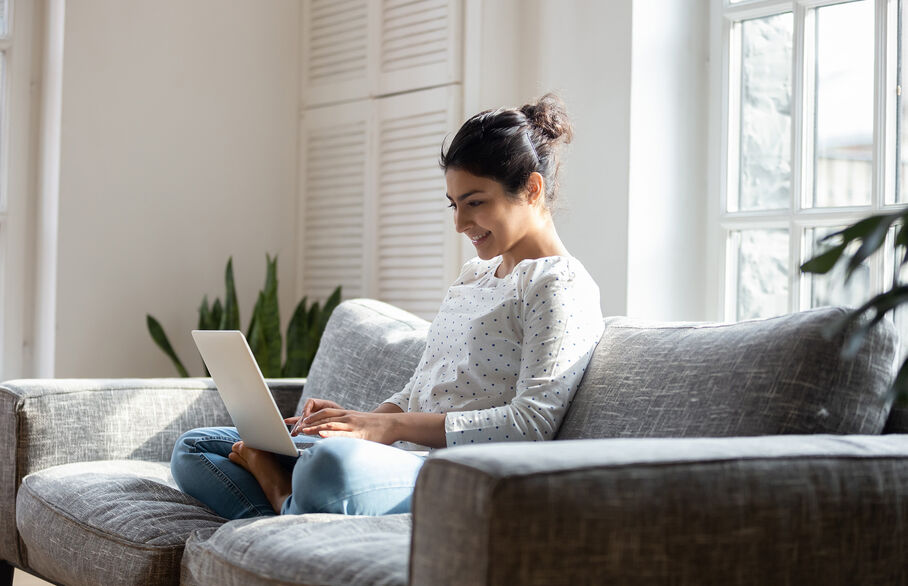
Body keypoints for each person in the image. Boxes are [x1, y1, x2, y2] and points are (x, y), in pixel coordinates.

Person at [170, 93, 605, 519]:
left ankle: (281, 494)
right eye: (454, 205)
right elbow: (421, 388)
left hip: (459, 472)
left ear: (531, 189)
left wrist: (388, 429)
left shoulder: (559, 285)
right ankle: (290, 509)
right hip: (398, 459)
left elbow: (530, 425)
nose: (459, 223)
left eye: (475, 203)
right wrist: (358, 422)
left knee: (328, 468)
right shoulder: (475, 275)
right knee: (196, 446)